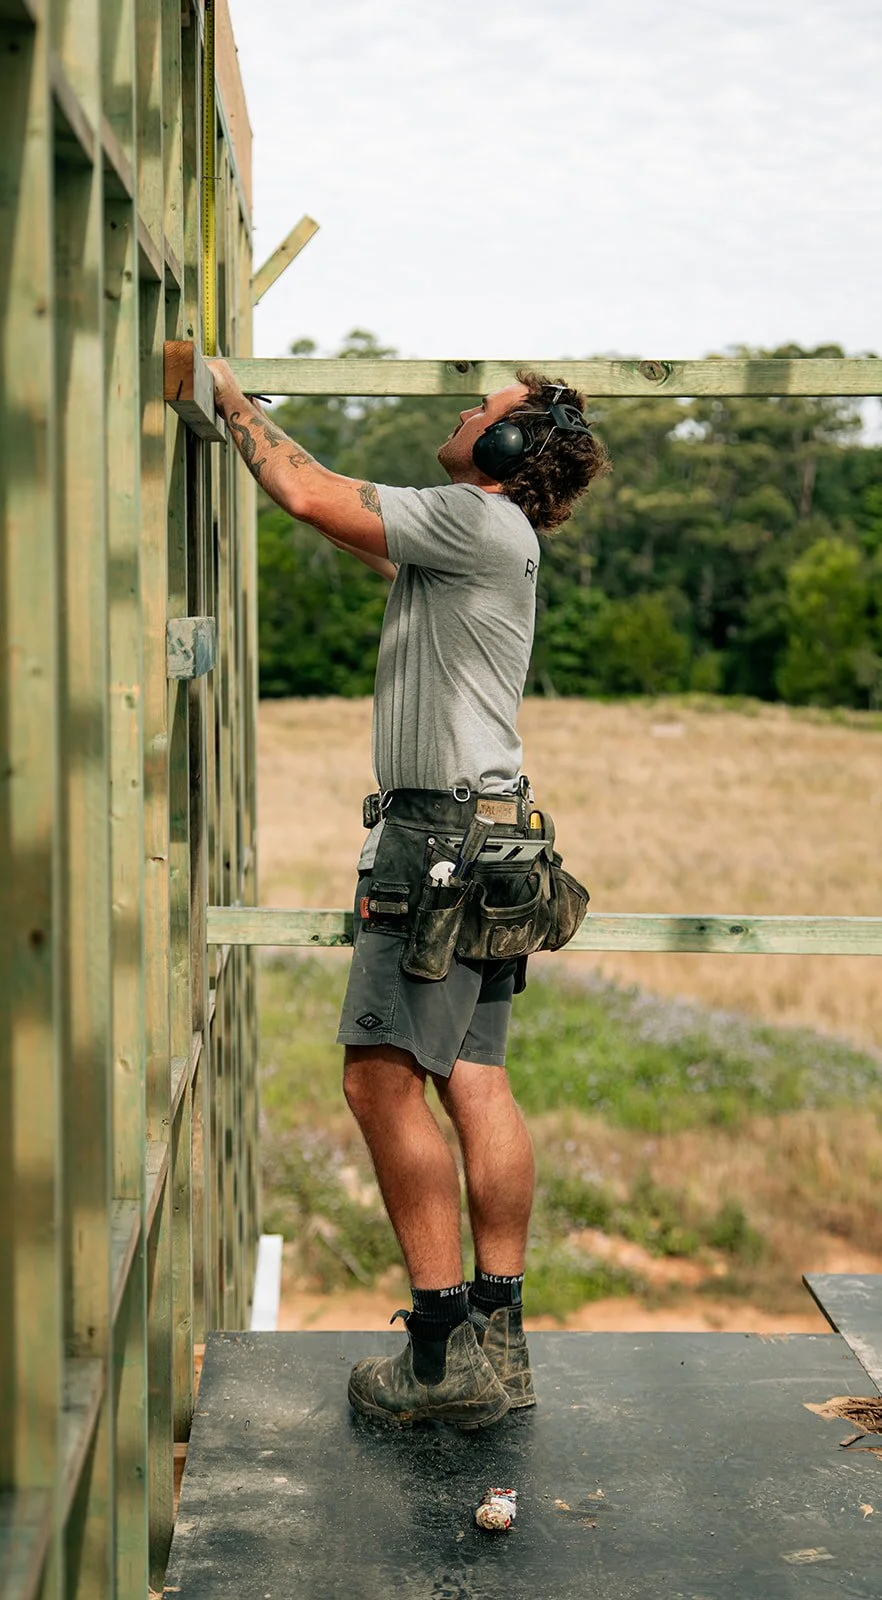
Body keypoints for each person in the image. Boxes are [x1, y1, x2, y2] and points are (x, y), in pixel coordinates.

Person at [207, 357, 609, 1428]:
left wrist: (227, 401)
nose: (465, 412)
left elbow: (307, 492)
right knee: (475, 1077)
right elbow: (343, 524)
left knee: (380, 1082)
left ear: (513, 448)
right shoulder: (484, 541)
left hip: (436, 839)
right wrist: (292, 472)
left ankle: (437, 1359)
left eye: (485, 410)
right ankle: (501, 1340)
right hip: (493, 833)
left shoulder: (474, 522)